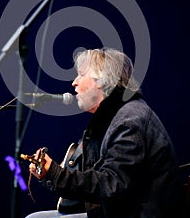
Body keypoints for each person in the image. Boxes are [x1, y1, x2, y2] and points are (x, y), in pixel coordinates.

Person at [24, 48, 183, 218]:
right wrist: (52, 173)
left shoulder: (129, 121)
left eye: (81, 74)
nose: (74, 83)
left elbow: (111, 185)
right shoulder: (113, 119)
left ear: (101, 80)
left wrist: (56, 175)